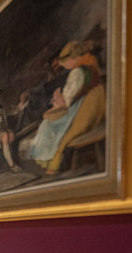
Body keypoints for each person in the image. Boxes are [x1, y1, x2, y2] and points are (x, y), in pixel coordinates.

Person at [29, 41, 105, 175]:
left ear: (71, 58)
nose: (63, 66)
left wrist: (59, 99)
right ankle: (51, 161)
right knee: (49, 121)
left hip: (83, 109)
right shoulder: (89, 65)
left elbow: (68, 99)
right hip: (93, 106)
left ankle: (52, 163)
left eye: (64, 62)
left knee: (48, 124)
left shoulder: (77, 72)